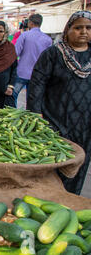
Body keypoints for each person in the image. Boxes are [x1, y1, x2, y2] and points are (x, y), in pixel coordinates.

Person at [27, 10, 91, 195]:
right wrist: (35, 116)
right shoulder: (53, 54)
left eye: (88, 28)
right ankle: (48, 200)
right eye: (78, 27)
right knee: (52, 165)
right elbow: (37, 86)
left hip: (85, 124)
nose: (83, 32)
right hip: (54, 120)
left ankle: (71, 200)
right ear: (68, 29)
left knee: (78, 165)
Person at [12, 14, 52, 107]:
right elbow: (49, 59)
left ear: (30, 23)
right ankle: (29, 118)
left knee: (12, 96)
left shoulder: (24, 36)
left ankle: (13, 117)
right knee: (32, 99)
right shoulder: (48, 39)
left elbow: (15, 53)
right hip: (38, 74)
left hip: (22, 72)